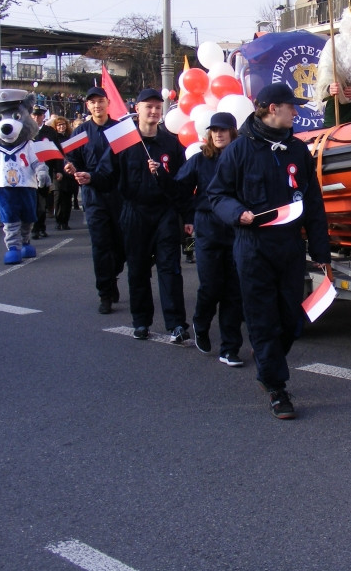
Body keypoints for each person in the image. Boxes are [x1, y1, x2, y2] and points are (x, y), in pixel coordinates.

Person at [208, 82, 332, 420]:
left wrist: (321, 249)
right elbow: (217, 195)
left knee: (291, 319)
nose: (296, 111)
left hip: (290, 245)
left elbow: (314, 203)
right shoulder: (240, 150)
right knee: (263, 318)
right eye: (291, 106)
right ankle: (276, 387)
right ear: (272, 108)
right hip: (254, 247)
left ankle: (269, 363)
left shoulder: (297, 151)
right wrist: (238, 213)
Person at [108, 88, 189, 341]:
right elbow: (106, 173)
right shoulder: (124, 141)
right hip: (135, 211)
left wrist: (187, 217)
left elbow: (182, 181)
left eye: (157, 107)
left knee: (170, 268)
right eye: (148, 107)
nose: (153, 112)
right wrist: (88, 177)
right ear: (138, 110)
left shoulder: (170, 142)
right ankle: (141, 321)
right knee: (138, 269)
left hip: (164, 212)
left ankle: (176, 324)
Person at [175, 111, 244, 365]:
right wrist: (190, 215)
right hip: (207, 228)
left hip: (236, 229)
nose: (218, 134)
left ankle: (230, 348)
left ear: (233, 132)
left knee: (234, 291)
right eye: (214, 129)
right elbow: (179, 187)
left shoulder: (241, 158)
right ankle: (200, 323)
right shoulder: (199, 160)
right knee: (211, 286)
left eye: (223, 129)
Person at [63, 88, 125, 314]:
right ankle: (105, 293)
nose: (97, 106)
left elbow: (129, 160)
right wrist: (70, 168)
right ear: (87, 106)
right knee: (101, 246)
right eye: (92, 103)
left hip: (119, 196)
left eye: (101, 101)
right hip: (93, 196)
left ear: (108, 103)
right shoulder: (81, 131)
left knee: (120, 246)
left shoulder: (120, 128)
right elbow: (72, 159)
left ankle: (113, 275)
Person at [31, 105, 58, 239]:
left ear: (43, 116)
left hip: (45, 170)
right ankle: (34, 228)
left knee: (42, 202)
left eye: (39, 115)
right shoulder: (26, 132)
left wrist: (58, 170)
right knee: (33, 201)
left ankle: (41, 226)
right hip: (29, 172)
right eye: (34, 115)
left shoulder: (49, 132)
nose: (36, 118)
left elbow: (56, 151)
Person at [51, 116, 76, 230]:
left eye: (63, 124)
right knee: (58, 197)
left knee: (68, 197)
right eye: (59, 125)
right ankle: (58, 220)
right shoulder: (53, 139)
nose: (62, 127)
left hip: (69, 170)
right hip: (58, 170)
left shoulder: (70, 138)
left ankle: (65, 221)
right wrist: (56, 171)